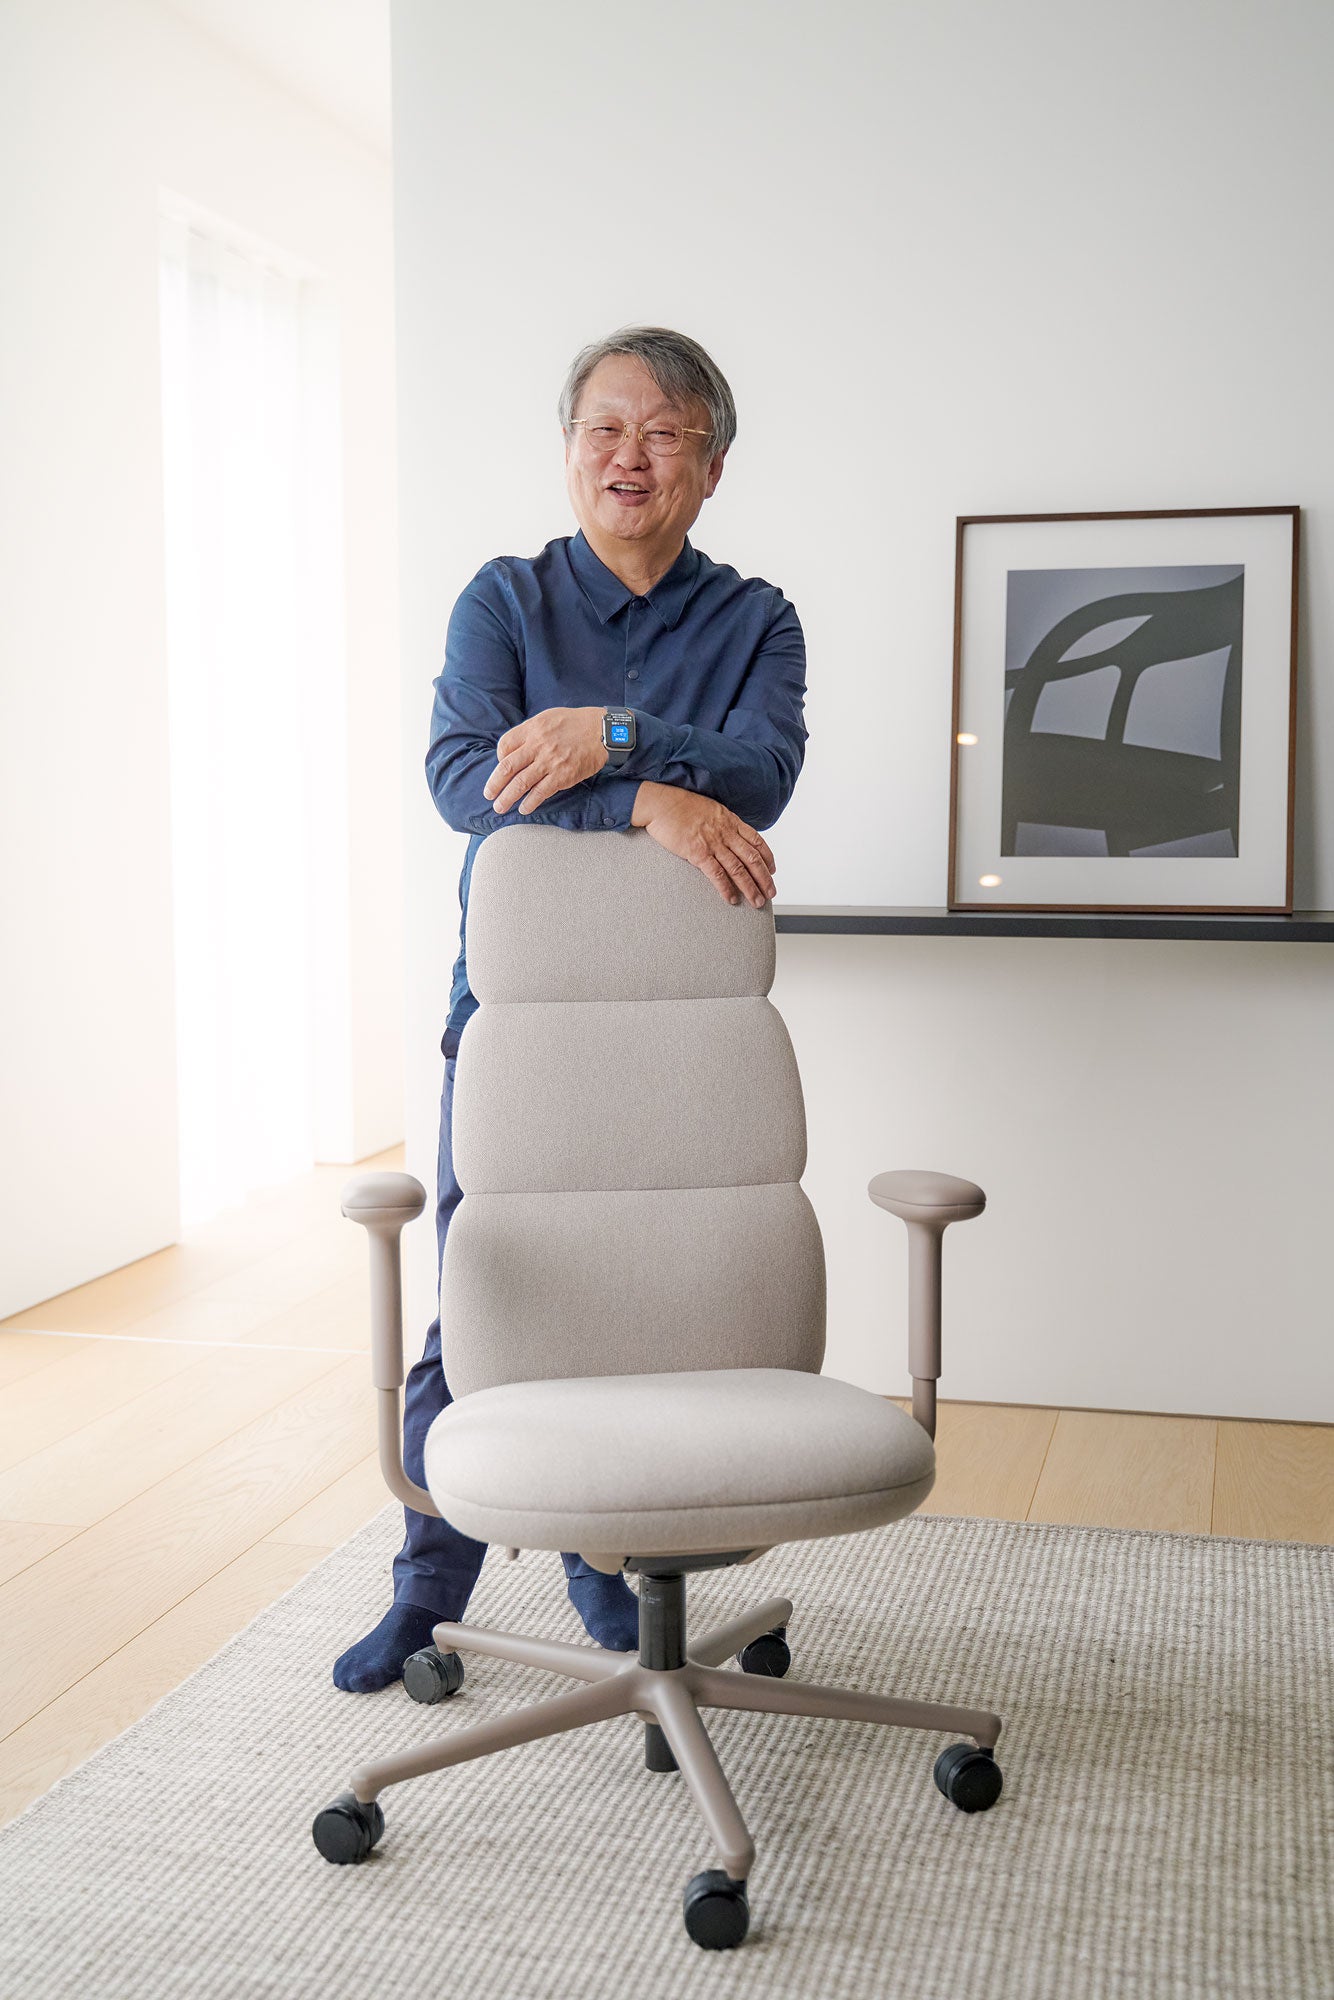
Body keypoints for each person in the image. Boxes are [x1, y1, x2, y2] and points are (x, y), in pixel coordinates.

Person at [334, 325, 809, 1691]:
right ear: (566, 450)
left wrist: (607, 739)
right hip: (517, 1018)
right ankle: (429, 1593)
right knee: (484, 1299)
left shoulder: (756, 618)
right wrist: (652, 796)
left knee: (637, 1307)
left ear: (710, 467)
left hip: (684, 1020)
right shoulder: (503, 599)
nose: (629, 456)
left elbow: (761, 775)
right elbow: (458, 777)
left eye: (665, 434)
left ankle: (617, 1580)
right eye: (604, 428)